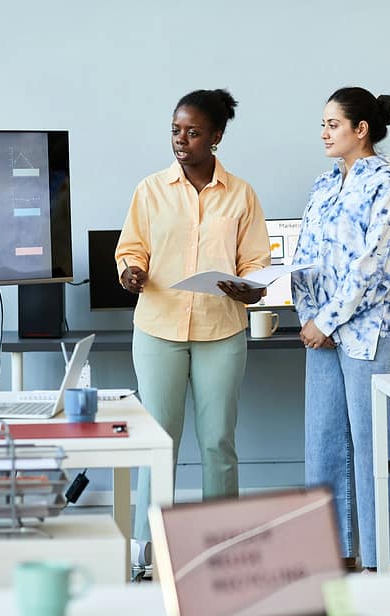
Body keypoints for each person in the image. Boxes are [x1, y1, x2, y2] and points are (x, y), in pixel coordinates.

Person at [115, 89, 270, 567]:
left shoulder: (241, 194)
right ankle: (147, 551)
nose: (181, 140)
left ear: (216, 137)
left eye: (193, 132)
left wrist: (253, 288)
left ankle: (222, 545)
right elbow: (131, 248)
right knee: (159, 440)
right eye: (176, 130)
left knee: (217, 441)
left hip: (221, 331)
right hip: (158, 328)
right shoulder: (150, 189)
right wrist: (131, 272)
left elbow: (257, 265)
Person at [291, 87, 390, 571]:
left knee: (372, 445)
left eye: (333, 125)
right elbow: (304, 258)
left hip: (373, 330)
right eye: (322, 125)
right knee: (323, 442)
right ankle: (333, 553)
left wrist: (326, 319)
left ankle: (382, 559)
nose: (324, 133)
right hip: (320, 331)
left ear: (360, 130)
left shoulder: (386, 183)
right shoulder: (323, 185)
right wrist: (308, 316)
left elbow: (375, 265)